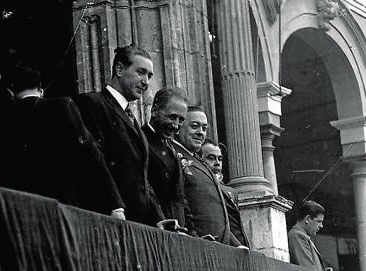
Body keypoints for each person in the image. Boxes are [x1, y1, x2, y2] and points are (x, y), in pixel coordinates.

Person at [0, 65, 125, 217]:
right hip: (61, 208)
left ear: (11, 91)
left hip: (16, 209)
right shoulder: (62, 106)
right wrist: (115, 204)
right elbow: (91, 154)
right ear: (41, 91)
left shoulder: (2, 120)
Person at [74, 44, 165, 226]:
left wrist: (160, 220)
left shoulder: (131, 119)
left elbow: (141, 180)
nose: (146, 82)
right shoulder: (92, 104)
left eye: (149, 76)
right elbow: (94, 160)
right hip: (108, 219)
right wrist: (114, 205)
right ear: (119, 69)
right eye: (141, 72)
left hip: (137, 224)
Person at [171, 106, 246, 248]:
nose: (200, 133)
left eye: (204, 128)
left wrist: (236, 244)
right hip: (195, 246)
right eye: (194, 126)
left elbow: (219, 215)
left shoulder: (201, 164)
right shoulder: (173, 155)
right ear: (179, 126)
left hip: (219, 247)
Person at [141, 87, 194, 233]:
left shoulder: (171, 148)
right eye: (172, 117)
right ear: (154, 110)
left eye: (181, 120)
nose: (176, 125)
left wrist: (193, 234)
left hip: (177, 236)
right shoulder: (139, 140)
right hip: (154, 233)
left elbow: (181, 200)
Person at [200, 139, 249, 247]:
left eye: (220, 159)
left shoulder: (230, 192)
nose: (217, 163)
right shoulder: (202, 187)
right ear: (200, 160)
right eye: (211, 158)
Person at [287, 200, 332, 271]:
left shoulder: (303, 236)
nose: (321, 226)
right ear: (307, 219)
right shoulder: (297, 235)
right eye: (318, 221)